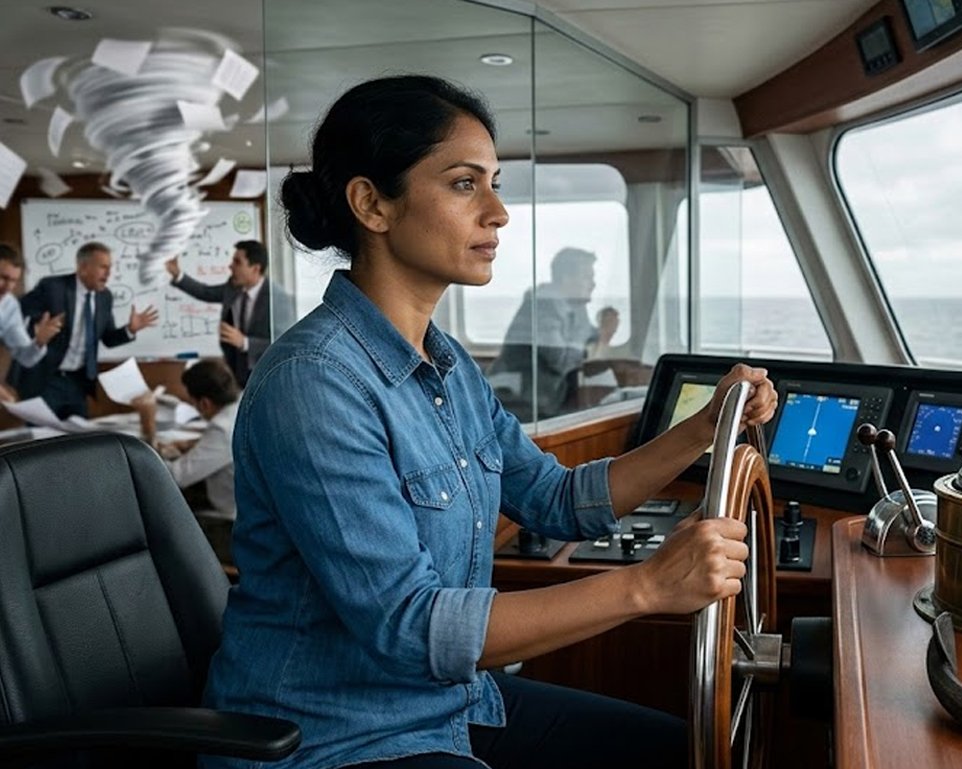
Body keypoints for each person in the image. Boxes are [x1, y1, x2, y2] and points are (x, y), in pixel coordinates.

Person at [201, 75, 777, 769]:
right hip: (328, 736)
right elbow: (409, 628)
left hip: (449, 703)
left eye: (493, 183)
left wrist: (703, 428)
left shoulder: (447, 367)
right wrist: (648, 585)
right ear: (371, 204)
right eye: (465, 184)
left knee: (676, 752)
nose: (499, 212)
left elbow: (560, 500)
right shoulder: (313, 383)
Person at [6, 241, 159, 418]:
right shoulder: (52, 287)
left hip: (78, 382)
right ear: (83, 267)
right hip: (46, 379)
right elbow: (16, 312)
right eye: (103, 267)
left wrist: (130, 329)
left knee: (79, 440)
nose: (109, 273)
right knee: (43, 440)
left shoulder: (105, 297)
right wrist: (36, 331)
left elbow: (108, 339)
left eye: (110, 267)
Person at [488, 247, 620, 421]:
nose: (593, 284)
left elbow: (586, 339)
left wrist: (603, 331)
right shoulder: (544, 306)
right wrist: (603, 335)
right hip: (517, 403)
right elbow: (560, 360)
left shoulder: (576, 306)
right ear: (566, 279)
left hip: (547, 399)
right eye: (587, 277)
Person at [164, 239, 285, 386]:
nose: (230, 266)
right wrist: (178, 274)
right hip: (236, 372)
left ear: (255, 269)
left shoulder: (277, 298)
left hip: (264, 376)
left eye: (237, 262)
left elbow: (283, 344)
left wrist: (245, 342)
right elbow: (206, 292)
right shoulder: (233, 287)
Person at [132, 358, 241, 520]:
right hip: (246, 503)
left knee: (151, 511)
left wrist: (147, 426)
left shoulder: (222, 430)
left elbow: (172, 478)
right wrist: (194, 445)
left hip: (232, 519)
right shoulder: (241, 405)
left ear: (204, 403)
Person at [0, 244, 64, 403]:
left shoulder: (9, 305)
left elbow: (24, 357)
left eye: (13, 281)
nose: (7, 287)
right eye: (2, 278)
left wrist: (39, 342)